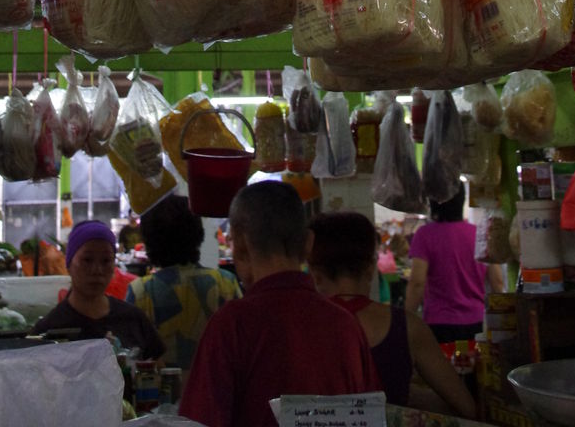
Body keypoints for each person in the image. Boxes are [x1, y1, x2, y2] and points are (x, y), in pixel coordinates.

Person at [179, 181, 381, 427]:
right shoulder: (346, 325)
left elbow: (199, 421)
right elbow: (371, 417)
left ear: (240, 246)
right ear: (309, 244)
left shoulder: (231, 325)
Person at [307, 211, 476, 419]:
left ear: (315, 274)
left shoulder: (297, 328)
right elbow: (466, 408)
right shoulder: (407, 327)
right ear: (371, 268)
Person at [126, 194, 241, 377]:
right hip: (217, 389)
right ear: (198, 234)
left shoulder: (140, 291)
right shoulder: (226, 282)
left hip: (161, 392)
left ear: (149, 240)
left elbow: (131, 356)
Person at [33, 219, 165, 357]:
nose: (97, 270)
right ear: (69, 264)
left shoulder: (134, 319)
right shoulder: (49, 330)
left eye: (106, 261)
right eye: (87, 260)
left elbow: (159, 366)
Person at [405, 182, 504, 342]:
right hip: (477, 323)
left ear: (433, 201)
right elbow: (497, 281)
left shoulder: (424, 235)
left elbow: (417, 283)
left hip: (439, 324)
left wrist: (406, 320)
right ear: (462, 200)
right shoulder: (479, 233)